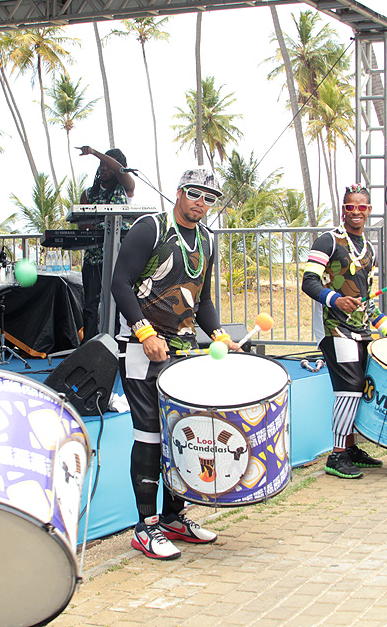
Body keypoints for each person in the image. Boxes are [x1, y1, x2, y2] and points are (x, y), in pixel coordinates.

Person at [110, 167, 239, 560]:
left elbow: (202, 302)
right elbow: (119, 282)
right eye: (196, 194)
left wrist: (217, 333)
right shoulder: (151, 227)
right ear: (180, 192)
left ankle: (173, 517)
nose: (201, 204)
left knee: (179, 433)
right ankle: (145, 527)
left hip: (182, 353)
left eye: (209, 198)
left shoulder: (208, 241)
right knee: (149, 435)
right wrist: (144, 331)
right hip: (139, 349)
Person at [301, 184, 387, 480]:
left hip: (361, 330)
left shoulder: (369, 249)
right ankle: (336, 456)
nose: (356, 212)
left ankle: (350, 449)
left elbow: (367, 299)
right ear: (343, 210)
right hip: (336, 330)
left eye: (362, 207)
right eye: (351, 207)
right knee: (349, 389)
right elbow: (309, 282)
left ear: (369, 210)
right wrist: (336, 300)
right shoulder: (329, 241)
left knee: (361, 388)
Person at [77, 146, 135, 340]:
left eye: (108, 165)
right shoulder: (88, 193)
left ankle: (117, 344)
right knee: (90, 304)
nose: (103, 168)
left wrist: (94, 152)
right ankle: (89, 346)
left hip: (120, 256)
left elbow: (120, 171)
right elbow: (81, 225)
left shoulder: (125, 187)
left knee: (119, 301)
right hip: (94, 256)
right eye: (101, 165)